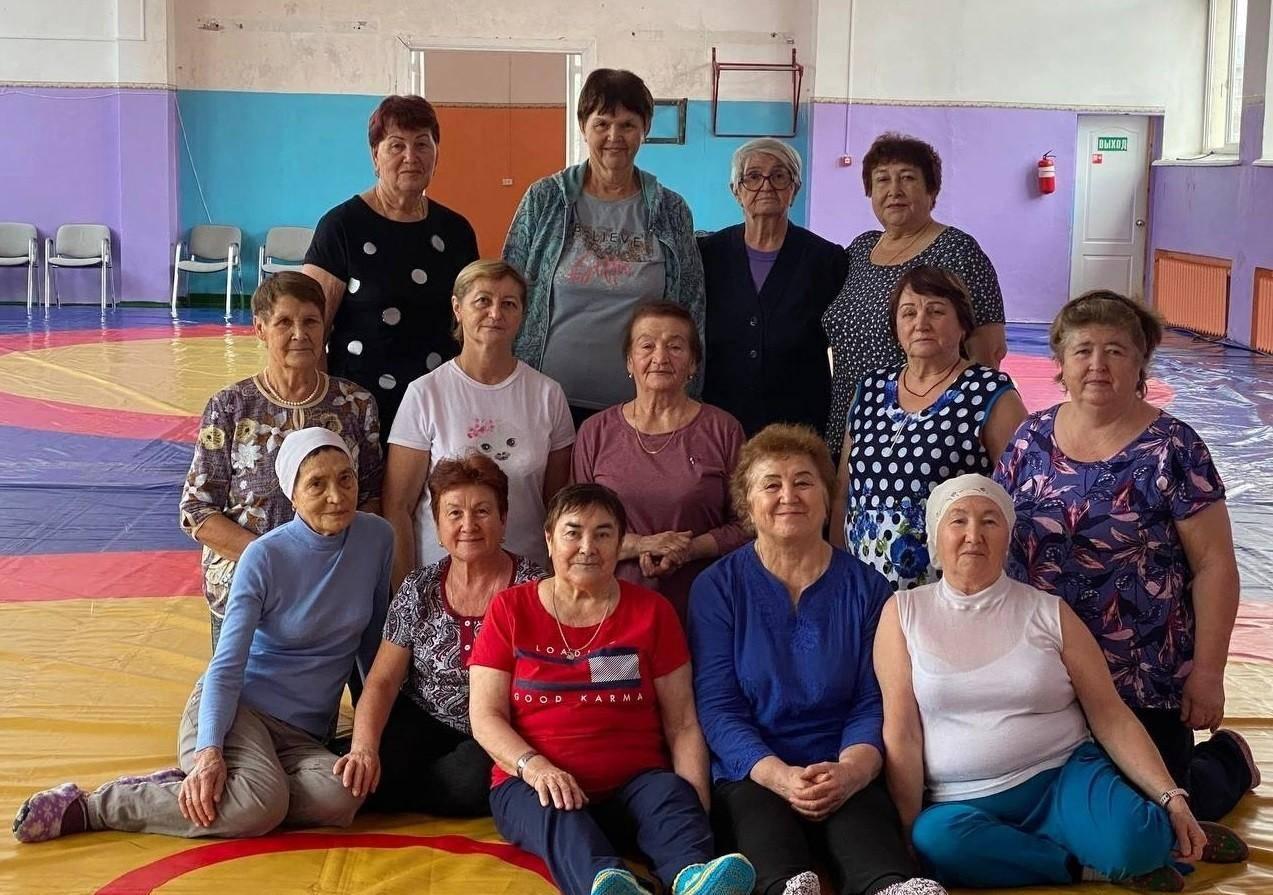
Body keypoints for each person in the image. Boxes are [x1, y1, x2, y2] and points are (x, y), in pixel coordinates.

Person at [14, 429, 394, 843]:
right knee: (257, 806)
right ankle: (95, 807)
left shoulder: (377, 538)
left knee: (342, 794)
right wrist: (210, 751)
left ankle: (235, 790)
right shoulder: (265, 557)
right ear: (293, 495)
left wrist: (368, 737)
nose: (337, 496)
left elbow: (373, 645)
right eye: (317, 484)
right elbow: (226, 664)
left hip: (303, 734)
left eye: (345, 478)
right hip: (237, 713)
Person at [874, 474, 1247, 890]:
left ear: (1008, 538)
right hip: (960, 802)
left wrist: (1172, 798)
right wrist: (904, 828)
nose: (973, 535)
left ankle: (1161, 836)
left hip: (1060, 778)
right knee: (934, 841)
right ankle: (1082, 865)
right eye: (957, 520)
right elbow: (902, 731)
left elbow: (1110, 715)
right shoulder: (903, 613)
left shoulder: (1048, 612)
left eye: (990, 521)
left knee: (1134, 844)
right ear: (934, 537)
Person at [995, 290, 1258, 823]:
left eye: (1114, 351)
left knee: (1153, 812)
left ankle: (1228, 760)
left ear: (1140, 364)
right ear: (1061, 363)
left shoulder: (1175, 448)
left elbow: (1214, 566)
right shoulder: (1030, 438)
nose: (1097, 364)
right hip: (1045, 666)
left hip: (1143, 673)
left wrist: (1208, 673)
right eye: (1083, 350)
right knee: (1057, 803)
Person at [690, 424, 944, 895]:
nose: (789, 496)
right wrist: (779, 776)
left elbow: (874, 700)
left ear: (827, 499)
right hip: (753, 772)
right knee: (774, 863)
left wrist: (852, 771)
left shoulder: (867, 588)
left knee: (879, 862)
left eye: (803, 482)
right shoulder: (717, 588)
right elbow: (718, 706)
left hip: (844, 763)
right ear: (747, 505)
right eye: (771, 484)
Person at [469, 484, 755, 895]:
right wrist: (536, 768)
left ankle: (694, 879)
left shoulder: (652, 612)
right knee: (557, 809)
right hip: (532, 784)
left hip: (635, 784)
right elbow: (485, 716)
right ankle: (608, 886)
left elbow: (682, 724)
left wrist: (695, 810)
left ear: (620, 544)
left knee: (669, 793)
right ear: (549, 539)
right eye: (573, 533)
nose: (588, 547)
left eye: (603, 534)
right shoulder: (509, 609)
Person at [180, 271, 383, 646]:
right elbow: (196, 511)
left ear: (325, 327)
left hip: (331, 592)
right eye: (284, 322)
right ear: (260, 329)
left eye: (310, 321)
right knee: (238, 683)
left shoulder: (356, 405)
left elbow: (371, 499)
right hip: (245, 593)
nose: (299, 334)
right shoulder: (230, 406)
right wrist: (275, 562)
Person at [335, 453, 542, 816]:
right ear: (437, 524)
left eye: (482, 511)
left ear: (503, 519)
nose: (468, 525)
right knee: (358, 773)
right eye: (454, 513)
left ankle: (403, 788)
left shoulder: (534, 590)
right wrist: (363, 749)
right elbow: (382, 681)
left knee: (467, 784)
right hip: (422, 718)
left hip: (498, 728)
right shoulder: (420, 587)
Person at [503, 68, 705, 427]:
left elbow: (692, 306)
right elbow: (508, 290)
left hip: (643, 411)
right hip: (544, 405)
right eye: (602, 124)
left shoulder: (670, 210)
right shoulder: (545, 199)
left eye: (627, 125)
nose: (615, 136)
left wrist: (688, 396)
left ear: (645, 128)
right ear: (583, 126)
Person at [830, 266, 1026, 589]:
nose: (920, 322)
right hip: (863, 590)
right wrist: (836, 573)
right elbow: (843, 491)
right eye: (908, 312)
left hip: (950, 594)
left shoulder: (990, 393)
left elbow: (1021, 498)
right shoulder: (870, 388)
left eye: (936, 311)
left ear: (962, 324)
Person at [383, 260, 573, 582]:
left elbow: (559, 504)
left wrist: (556, 585)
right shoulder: (425, 394)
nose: (495, 313)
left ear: (522, 314)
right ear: (457, 308)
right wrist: (407, 592)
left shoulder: (548, 395)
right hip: (442, 582)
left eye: (509, 304)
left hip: (526, 582)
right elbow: (397, 506)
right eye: (483, 301)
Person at [303, 94, 480, 438]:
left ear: (436, 154)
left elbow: (470, 324)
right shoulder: (341, 227)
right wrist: (320, 412)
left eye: (422, 144)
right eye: (397, 145)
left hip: (440, 409)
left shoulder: (456, 231)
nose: (411, 157)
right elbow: (310, 327)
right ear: (375, 156)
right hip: (357, 411)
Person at [822, 133, 1007, 454]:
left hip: (925, 435)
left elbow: (988, 353)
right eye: (882, 179)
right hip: (848, 423)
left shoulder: (958, 251)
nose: (894, 190)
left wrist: (962, 431)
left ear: (931, 190)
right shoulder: (860, 249)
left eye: (907, 178)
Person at [572, 301, 748, 622]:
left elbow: (748, 524)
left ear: (693, 363)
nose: (660, 357)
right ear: (629, 360)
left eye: (675, 347)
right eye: (647, 345)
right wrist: (642, 545)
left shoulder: (724, 430)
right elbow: (574, 529)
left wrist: (689, 549)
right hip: (609, 609)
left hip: (704, 607)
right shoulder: (595, 432)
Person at [699, 138, 847, 437]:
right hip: (720, 421)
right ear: (736, 191)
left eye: (779, 176)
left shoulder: (827, 260)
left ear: (795, 189)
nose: (766, 185)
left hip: (798, 424)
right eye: (753, 176)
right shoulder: (707, 254)